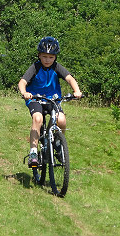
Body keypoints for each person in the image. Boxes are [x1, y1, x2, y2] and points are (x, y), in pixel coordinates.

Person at [18, 36, 82, 167]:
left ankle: (58, 144)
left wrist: (77, 91)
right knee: (37, 118)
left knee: (62, 120)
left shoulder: (57, 67)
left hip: (53, 99)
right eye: (44, 56)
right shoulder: (35, 67)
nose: (48, 60)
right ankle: (33, 153)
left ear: (55, 57)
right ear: (39, 56)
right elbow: (22, 82)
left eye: (51, 57)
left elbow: (70, 79)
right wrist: (24, 93)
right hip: (35, 98)